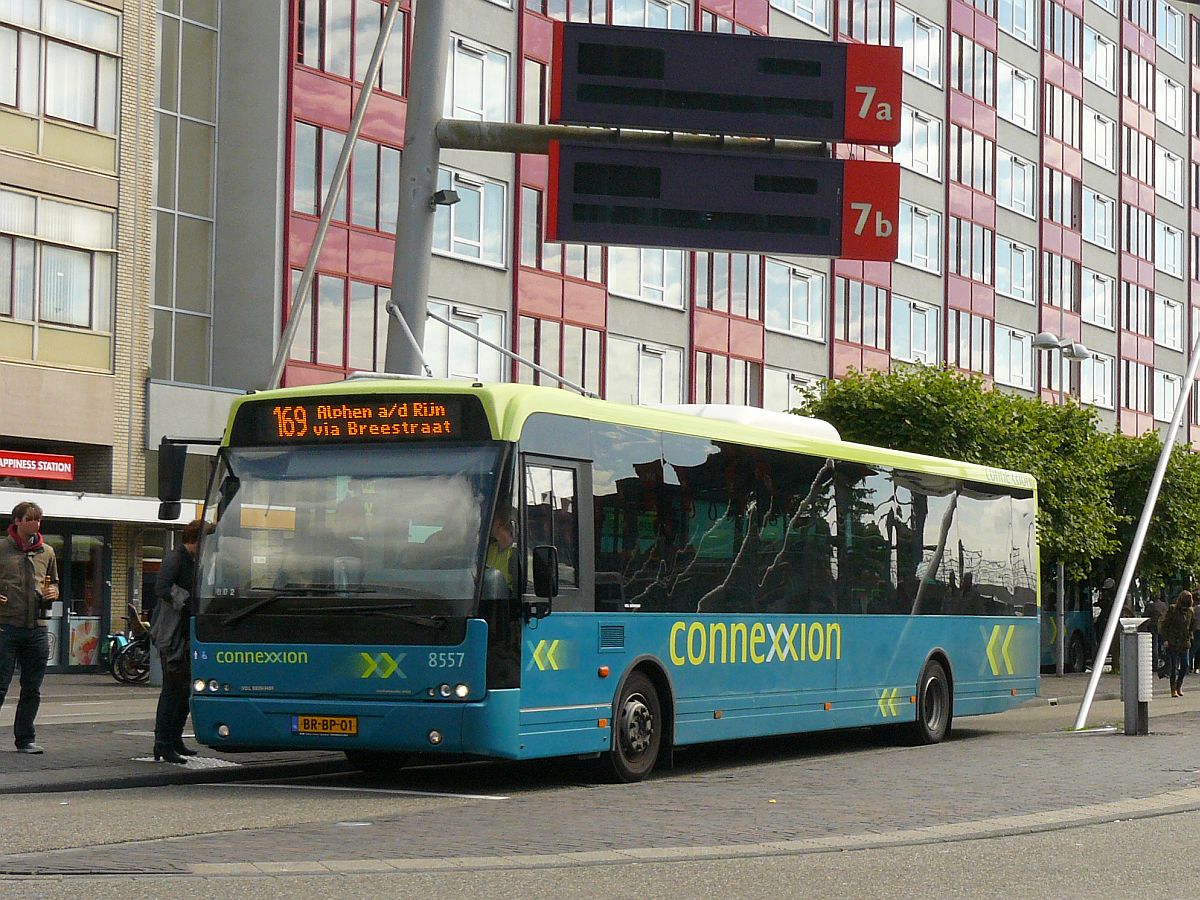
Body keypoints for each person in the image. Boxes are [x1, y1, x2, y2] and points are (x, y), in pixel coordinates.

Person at [0, 501, 59, 754]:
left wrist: (54, 591)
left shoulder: (47, 551)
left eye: (39, 519)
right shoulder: (2, 548)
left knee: (32, 688)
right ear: (17, 521)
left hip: (37, 627)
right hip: (6, 626)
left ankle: (25, 739)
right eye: (30, 519)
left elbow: (54, 583)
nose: (36, 523)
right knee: (0, 686)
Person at [151, 519, 205, 764]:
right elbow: (161, 587)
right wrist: (189, 601)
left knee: (183, 690)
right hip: (172, 633)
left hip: (183, 632)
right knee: (172, 690)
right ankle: (163, 742)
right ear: (195, 540)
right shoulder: (176, 559)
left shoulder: (193, 560)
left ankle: (175, 739)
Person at [1160, 590, 1195, 698]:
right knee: (1173, 666)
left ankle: (1179, 685)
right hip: (1173, 641)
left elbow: (1192, 624)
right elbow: (1165, 624)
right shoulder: (1173, 609)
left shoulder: (1190, 611)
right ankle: (1173, 688)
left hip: (1184, 642)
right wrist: (1165, 639)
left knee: (1185, 665)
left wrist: (1190, 635)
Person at [484, 503, 518, 594]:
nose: (487, 524)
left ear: (500, 523)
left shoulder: (516, 554)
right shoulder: (489, 549)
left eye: (491, 520)